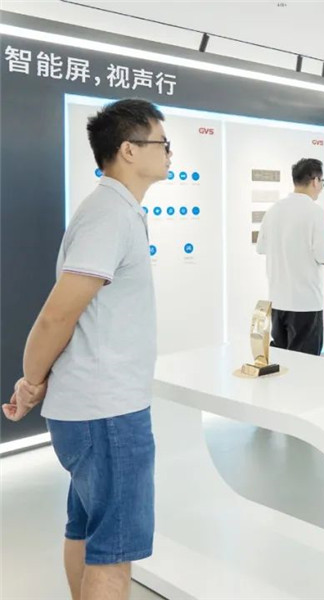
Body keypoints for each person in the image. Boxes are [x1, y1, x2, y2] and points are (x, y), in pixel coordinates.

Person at [2, 98, 170, 600]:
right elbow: (57, 314)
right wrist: (31, 380)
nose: (169, 154)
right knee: (113, 555)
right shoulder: (109, 216)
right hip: (108, 415)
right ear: (128, 150)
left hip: (97, 411)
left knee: (87, 530)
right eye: (162, 143)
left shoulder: (115, 211)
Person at [257, 158, 324, 356]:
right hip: (305, 304)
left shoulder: (274, 210)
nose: (321, 187)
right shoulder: (315, 213)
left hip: (277, 302)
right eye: (322, 182)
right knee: (306, 366)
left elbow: (261, 248)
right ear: (315, 181)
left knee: (282, 361)